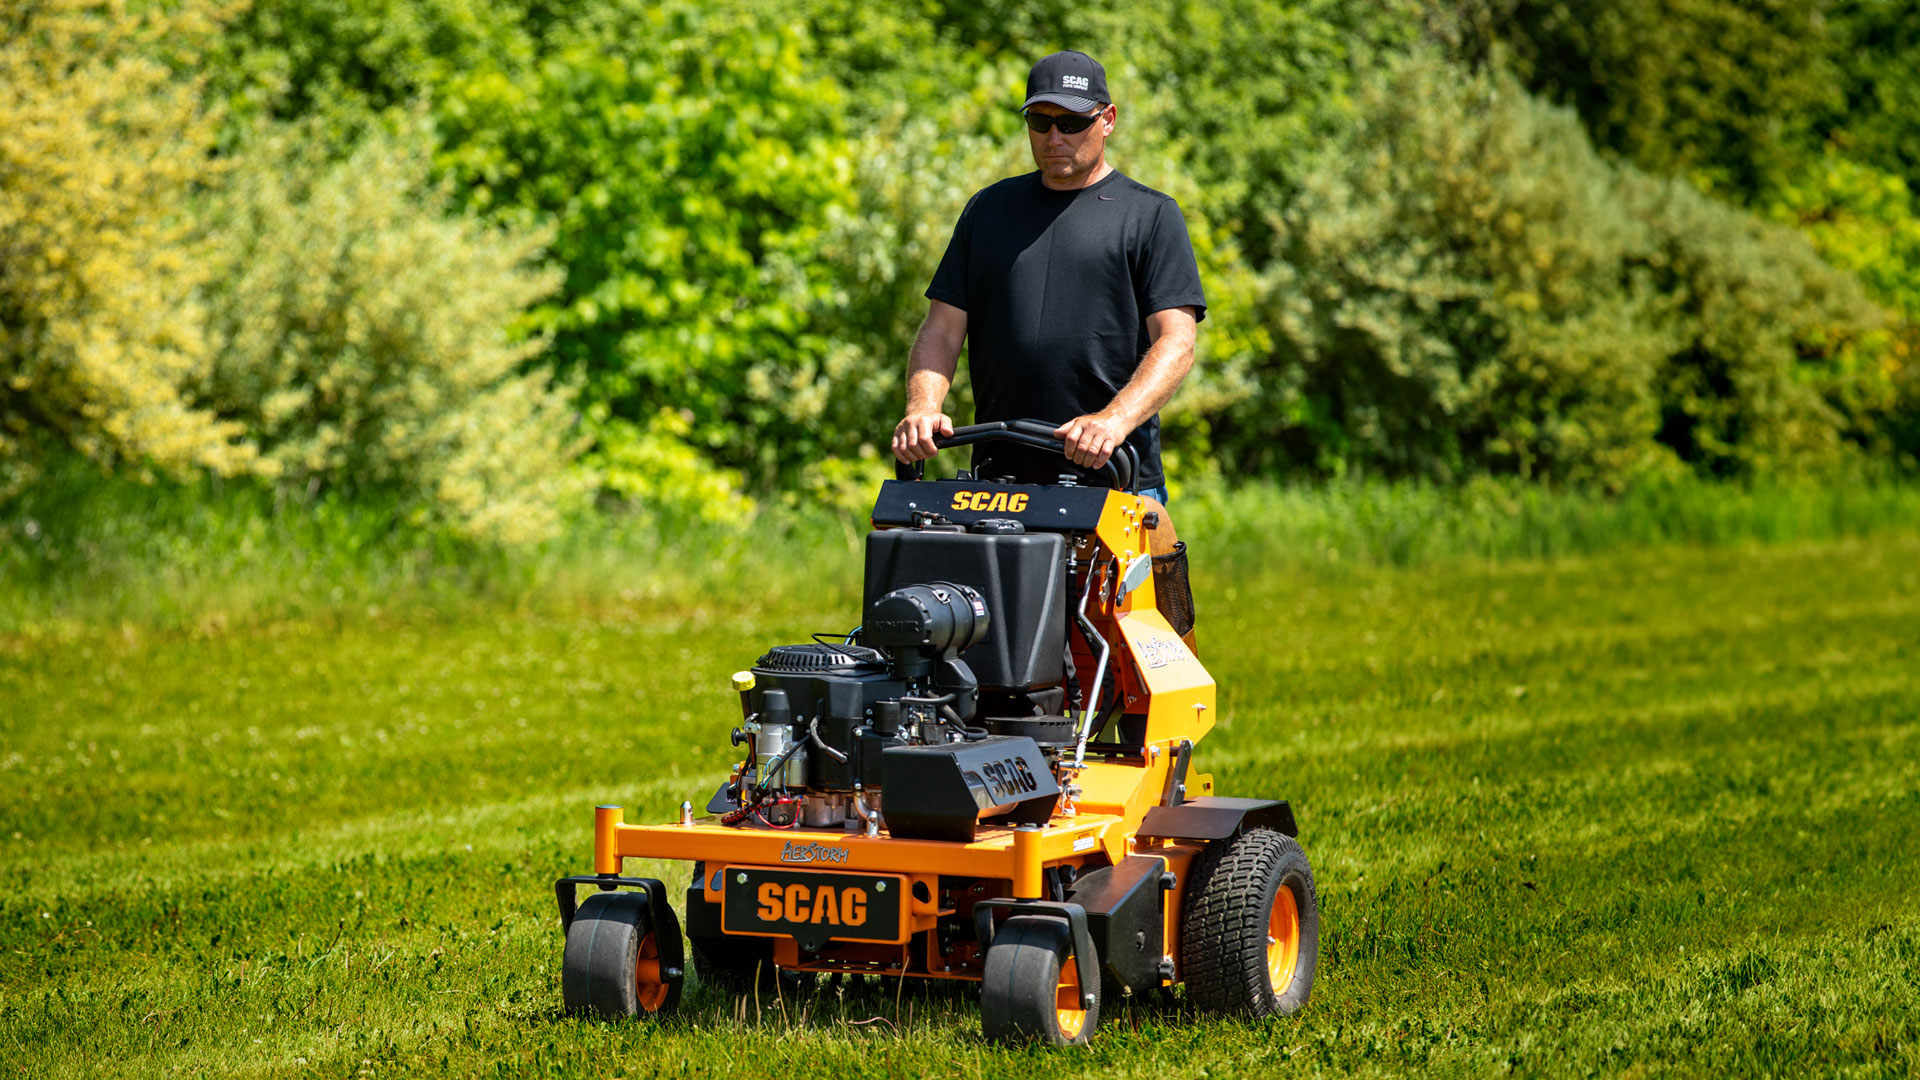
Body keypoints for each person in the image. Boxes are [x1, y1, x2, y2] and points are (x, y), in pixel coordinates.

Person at [890, 49, 1205, 508]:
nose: (1055, 137)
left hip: (1116, 481)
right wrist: (922, 408)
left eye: (1072, 123)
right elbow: (942, 326)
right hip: (996, 487)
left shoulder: (1151, 215)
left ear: (1108, 119)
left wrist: (1112, 421)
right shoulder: (988, 210)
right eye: (1040, 122)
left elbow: (1177, 342)